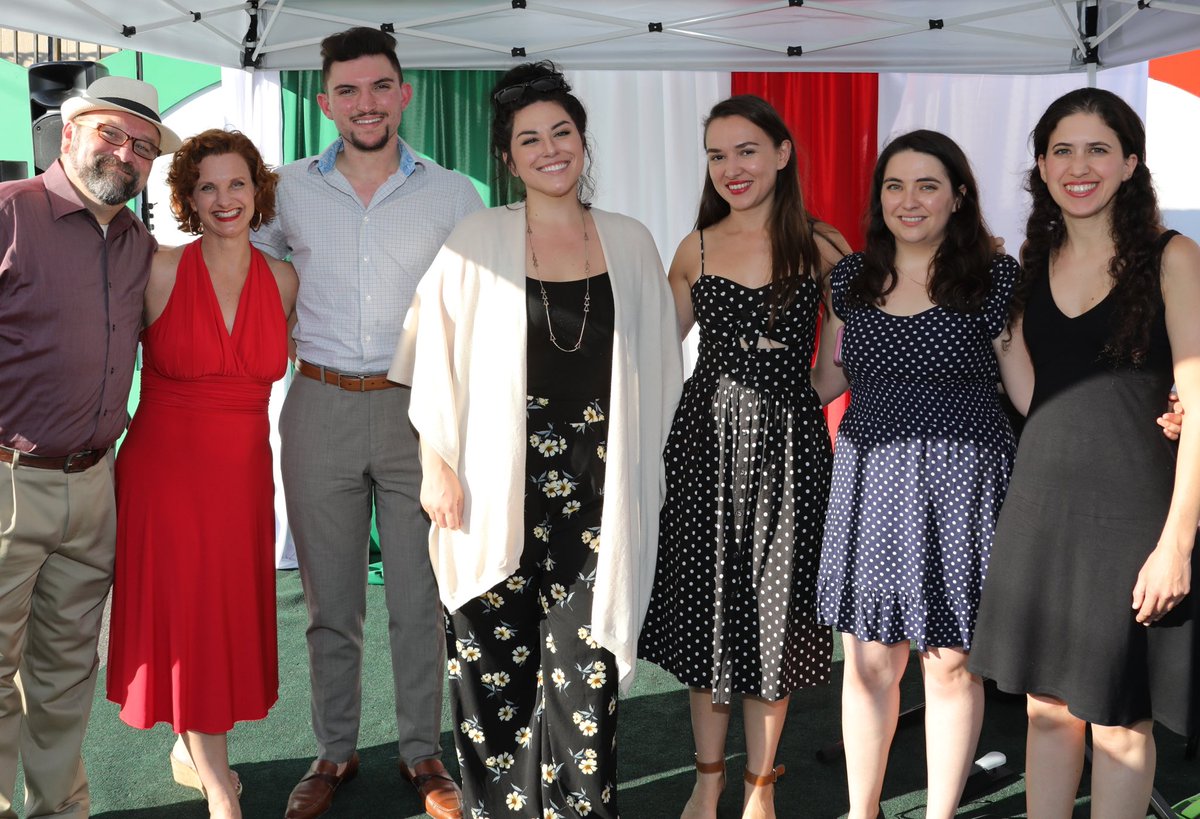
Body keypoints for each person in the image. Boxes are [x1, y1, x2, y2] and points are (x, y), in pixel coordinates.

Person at [391, 61, 682, 819]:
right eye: (530, 139)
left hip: (600, 490)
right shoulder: (476, 238)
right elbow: (432, 360)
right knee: (494, 672)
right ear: (507, 157)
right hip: (492, 485)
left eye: (562, 132)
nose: (550, 149)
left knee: (584, 675)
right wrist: (436, 466)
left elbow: (657, 373)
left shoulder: (629, 241)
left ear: (583, 143)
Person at [250, 26, 483, 819]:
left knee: (420, 596)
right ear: (325, 102)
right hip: (315, 403)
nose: (366, 103)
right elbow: (244, 274)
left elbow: (478, 310)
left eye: (379, 86)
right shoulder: (283, 190)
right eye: (347, 90)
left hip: (419, 409)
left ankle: (422, 749)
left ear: (404, 92)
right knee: (330, 599)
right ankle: (335, 749)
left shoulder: (455, 194)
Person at [970, 87, 1200, 818]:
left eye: (1099, 148)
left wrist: (1177, 543)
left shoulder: (1173, 258)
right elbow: (1041, 397)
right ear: (1040, 164)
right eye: (1062, 149)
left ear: (1131, 162)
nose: (1080, 165)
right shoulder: (1033, 264)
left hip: (1133, 515)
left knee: (1119, 718)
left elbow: (1197, 406)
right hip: (1039, 508)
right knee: (1045, 708)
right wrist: (1000, 325)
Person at [638, 95, 850, 819]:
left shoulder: (824, 245)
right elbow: (654, 355)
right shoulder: (693, 248)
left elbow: (844, 360)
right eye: (717, 155)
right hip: (703, 449)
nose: (732, 168)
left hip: (792, 455)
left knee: (774, 618)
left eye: (747, 150)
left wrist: (789, 400)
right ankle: (708, 779)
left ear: (782, 154)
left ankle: (760, 785)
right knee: (708, 615)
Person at [810, 130, 1029, 819]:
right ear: (879, 198)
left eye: (928, 184)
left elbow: (1029, 390)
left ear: (958, 196)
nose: (910, 200)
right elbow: (825, 377)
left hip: (965, 484)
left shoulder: (996, 279)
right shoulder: (850, 278)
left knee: (950, 664)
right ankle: (863, 808)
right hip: (871, 479)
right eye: (895, 185)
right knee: (871, 665)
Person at [0, 75, 179, 818]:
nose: (126, 153)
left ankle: (58, 809)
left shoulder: (142, 245)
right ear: (67, 133)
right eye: (111, 134)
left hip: (94, 483)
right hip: (9, 480)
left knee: (68, 668)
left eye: (142, 147)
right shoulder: (8, 214)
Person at [105, 129, 297, 819]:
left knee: (220, 622)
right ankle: (220, 784)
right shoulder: (156, 268)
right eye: (207, 186)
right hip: (165, 479)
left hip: (245, 479)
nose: (225, 199)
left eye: (237, 183)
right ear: (186, 197)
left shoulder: (283, 279)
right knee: (185, 624)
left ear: (258, 190)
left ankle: (195, 751)